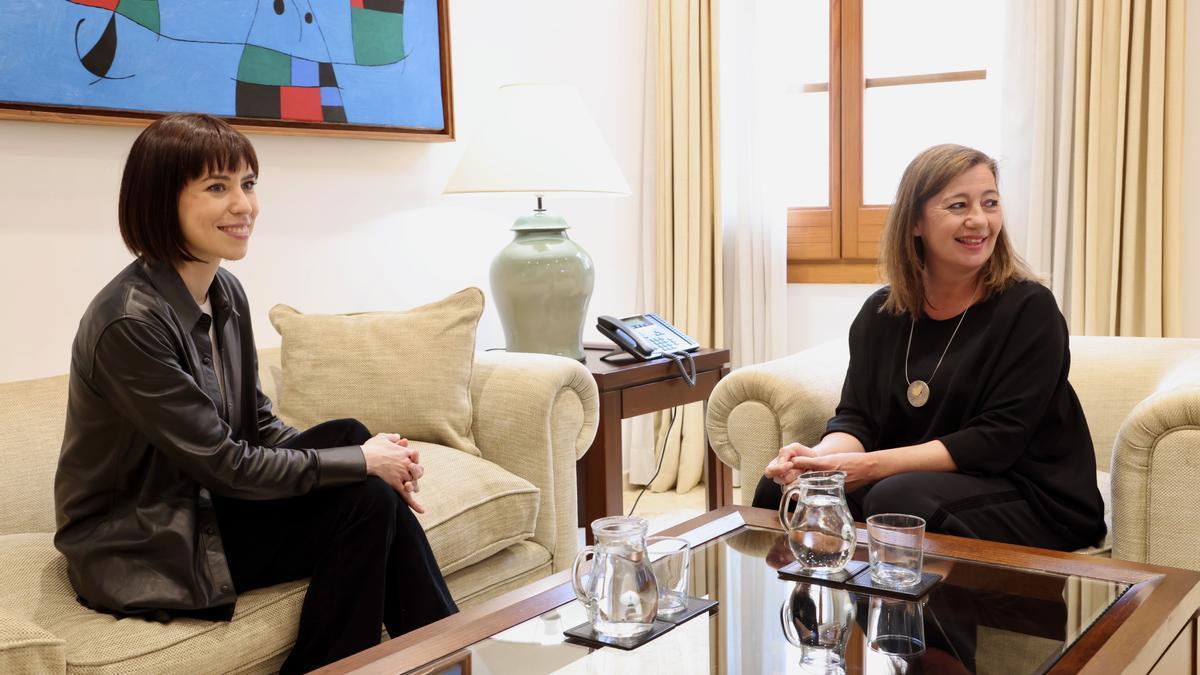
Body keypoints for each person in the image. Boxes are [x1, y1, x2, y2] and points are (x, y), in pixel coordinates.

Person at [54, 113, 457, 673]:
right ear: (160, 200)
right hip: (146, 537)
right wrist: (361, 467)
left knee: (351, 439)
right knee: (365, 496)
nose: (243, 205)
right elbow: (224, 462)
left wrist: (365, 457)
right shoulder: (130, 323)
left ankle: (440, 653)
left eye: (247, 184)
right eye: (217, 187)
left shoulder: (224, 292)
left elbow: (260, 426)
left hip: (205, 504)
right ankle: (442, 652)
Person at [752, 144, 1106, 552]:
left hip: (1030, 493)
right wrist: (817, 463)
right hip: (918, 483)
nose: (979, 220)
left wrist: (863, 468)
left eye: (990, 203)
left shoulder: (1029, 309)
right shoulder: (880, 314)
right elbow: (857, 420)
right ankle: (819, 611)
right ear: (915, 222)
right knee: (784, 491)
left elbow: (997, 440)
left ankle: (909, 612)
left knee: (897, 503)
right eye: (958, 205)